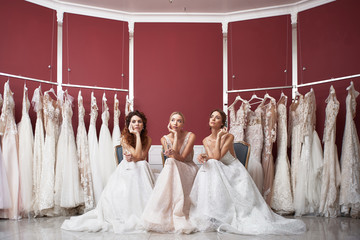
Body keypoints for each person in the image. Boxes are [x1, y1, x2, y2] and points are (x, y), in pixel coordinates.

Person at [189, 109, 306, 235]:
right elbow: (213, 157)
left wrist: (218, 138)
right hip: (218, 168)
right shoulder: (206, 140)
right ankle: (211, 212)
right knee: (209, 165)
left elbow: (217, 156)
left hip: (231, 168)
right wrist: (205, 156)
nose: (212, 119)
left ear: (222, 123)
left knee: (212, 163)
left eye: (217, 118)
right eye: (212, 116)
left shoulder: (229, 136)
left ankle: (223, 214)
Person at [61, 110, 155, 233]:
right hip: (127, 169)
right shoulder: (124, 138)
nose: (136, 124)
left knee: (142, 165)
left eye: (139, 122)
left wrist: (137, 136)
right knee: (138, 166)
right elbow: (137, 155)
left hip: (140, 169)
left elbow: (140, 157)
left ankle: (145, 209)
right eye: (133, 121)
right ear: (129, 124)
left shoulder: (148, 139)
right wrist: (136, 138)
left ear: (143, 125)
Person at [142, 112, 198, 233]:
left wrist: (176, 136)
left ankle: (176, 211)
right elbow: (173, 157)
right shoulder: (164, 139)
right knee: (171, 162)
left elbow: (182, 158)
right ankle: (162, 211)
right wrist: (175, 137)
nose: (175, 123)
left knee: (171, 161)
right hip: (173, 168)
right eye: (173, 120)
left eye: (179, 121)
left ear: (183, 124)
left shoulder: (191, 136)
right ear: (169, 122)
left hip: (188, 168)